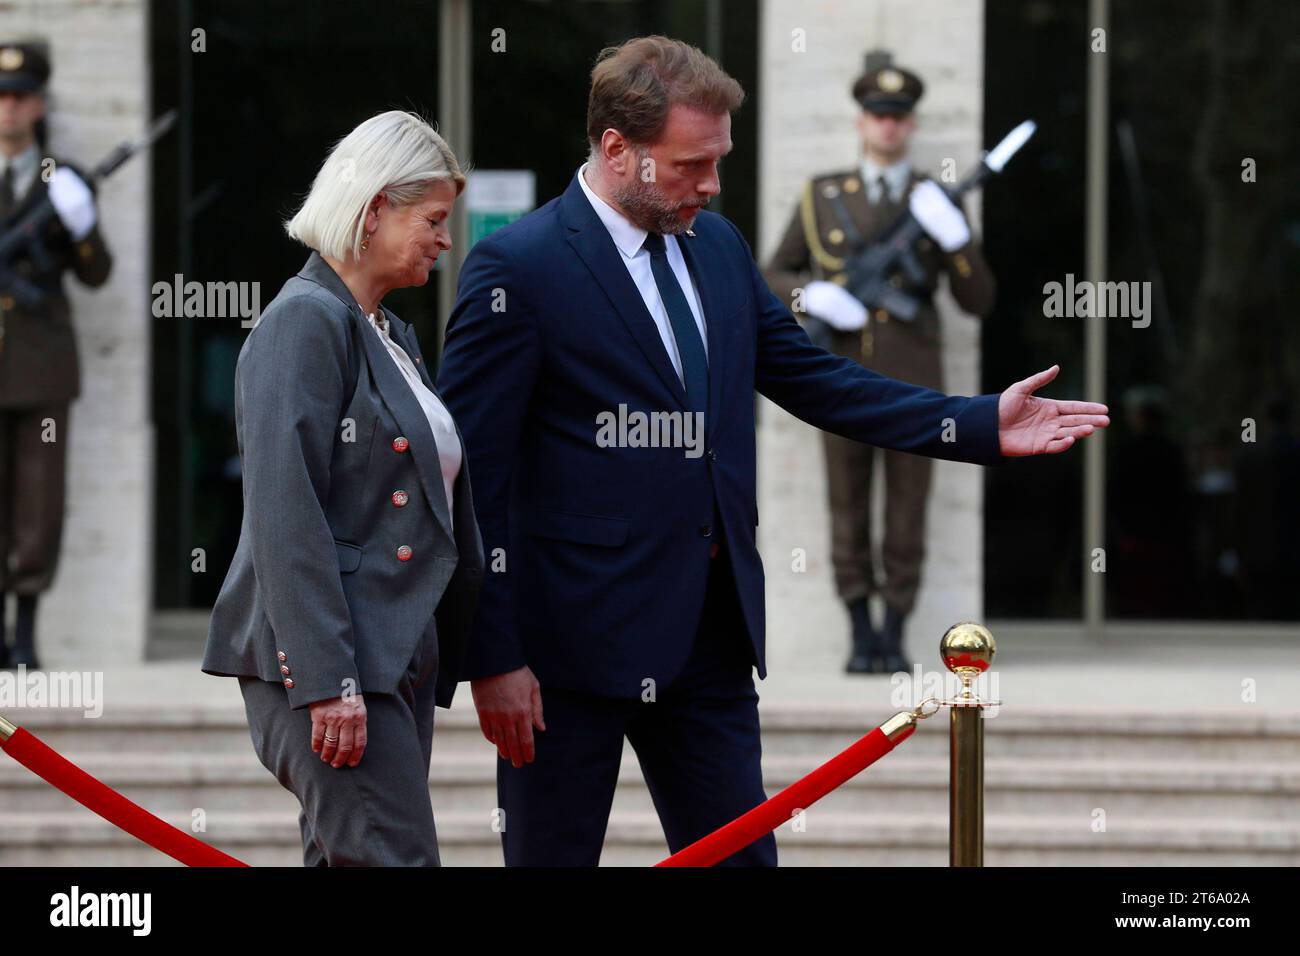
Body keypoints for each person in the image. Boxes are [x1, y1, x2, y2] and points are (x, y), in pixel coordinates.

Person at [437, 35, 1107, 867]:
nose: (712, 184)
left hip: (710, 642)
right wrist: (492, 656)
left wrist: (972, 424)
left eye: (719, 160)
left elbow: (817, 379)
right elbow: (470, 478)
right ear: (618, 149)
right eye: (691, 163)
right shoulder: (518, 269)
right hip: (567, 657)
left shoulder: (715, 246)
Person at [202, 111, 484, 866]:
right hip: (334, 665)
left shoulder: (387, 333)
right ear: (374, 210)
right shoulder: (304, 321)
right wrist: (327, 679)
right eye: (432, 219)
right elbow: (283, 512)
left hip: (394, 655)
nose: (446, 240)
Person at [764, 49, 996, 675]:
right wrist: (813, 295)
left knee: (907, 509)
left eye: (899, 116)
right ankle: (858, 632)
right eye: (877, 115)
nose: (888, 126)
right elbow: (774, 270)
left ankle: (894, 631)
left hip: (916, 378)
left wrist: (957, 240)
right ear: (862, 122)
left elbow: (978, 301)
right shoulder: (821, 196)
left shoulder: (936, 200)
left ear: (911, 125)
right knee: (846, 503)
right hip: (839, 374)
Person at [0, 41, 112, 670]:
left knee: (38, 501)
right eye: (1, 97)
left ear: (39, 104)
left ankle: (25, 633)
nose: (9, 109)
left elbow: (97, 273)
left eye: (19, 97)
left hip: (40, 365)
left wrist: (81, 225)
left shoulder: (58, 181)